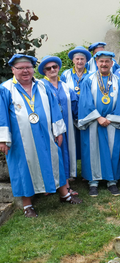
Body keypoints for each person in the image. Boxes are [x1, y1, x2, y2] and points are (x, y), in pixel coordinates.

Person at [0, 54, 82, 218]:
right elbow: (2, 115)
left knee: (54, 161)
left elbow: (54, 109)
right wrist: (3, 138)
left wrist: (58, 130)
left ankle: (64, 194)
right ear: (13, 70)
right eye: (21, 68)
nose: (25, 71)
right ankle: (27, 205)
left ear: (32, 69)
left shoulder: (43, 86)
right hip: (20, 140)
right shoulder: (6, 89)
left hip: (46, 135)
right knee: (23, 168)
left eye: (28, 67)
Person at [78, 51, 120, 197]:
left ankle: (111, 181)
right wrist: (98, 117)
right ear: (97, 63)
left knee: (112, 150)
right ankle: (93, 182)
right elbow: (85, 102)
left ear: (112, 63)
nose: (104, 64)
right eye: (101, 62)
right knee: (93, 150)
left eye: (107, 61)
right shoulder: (89, 80)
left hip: (112, 122)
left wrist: (111, 118)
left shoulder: (118, 81)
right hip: (94, 122)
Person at [38, 55, 79, 195]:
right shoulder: (40, 87)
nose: (52, 70)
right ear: (44, 71)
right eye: (48, 68)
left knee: (64, 153)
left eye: (54, 67)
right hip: (49, 127)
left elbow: (74, 105)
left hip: (66, 127)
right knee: (50, 153)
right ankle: (50, 185)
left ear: (59, 68)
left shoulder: (66, 86)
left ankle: (66, 184)